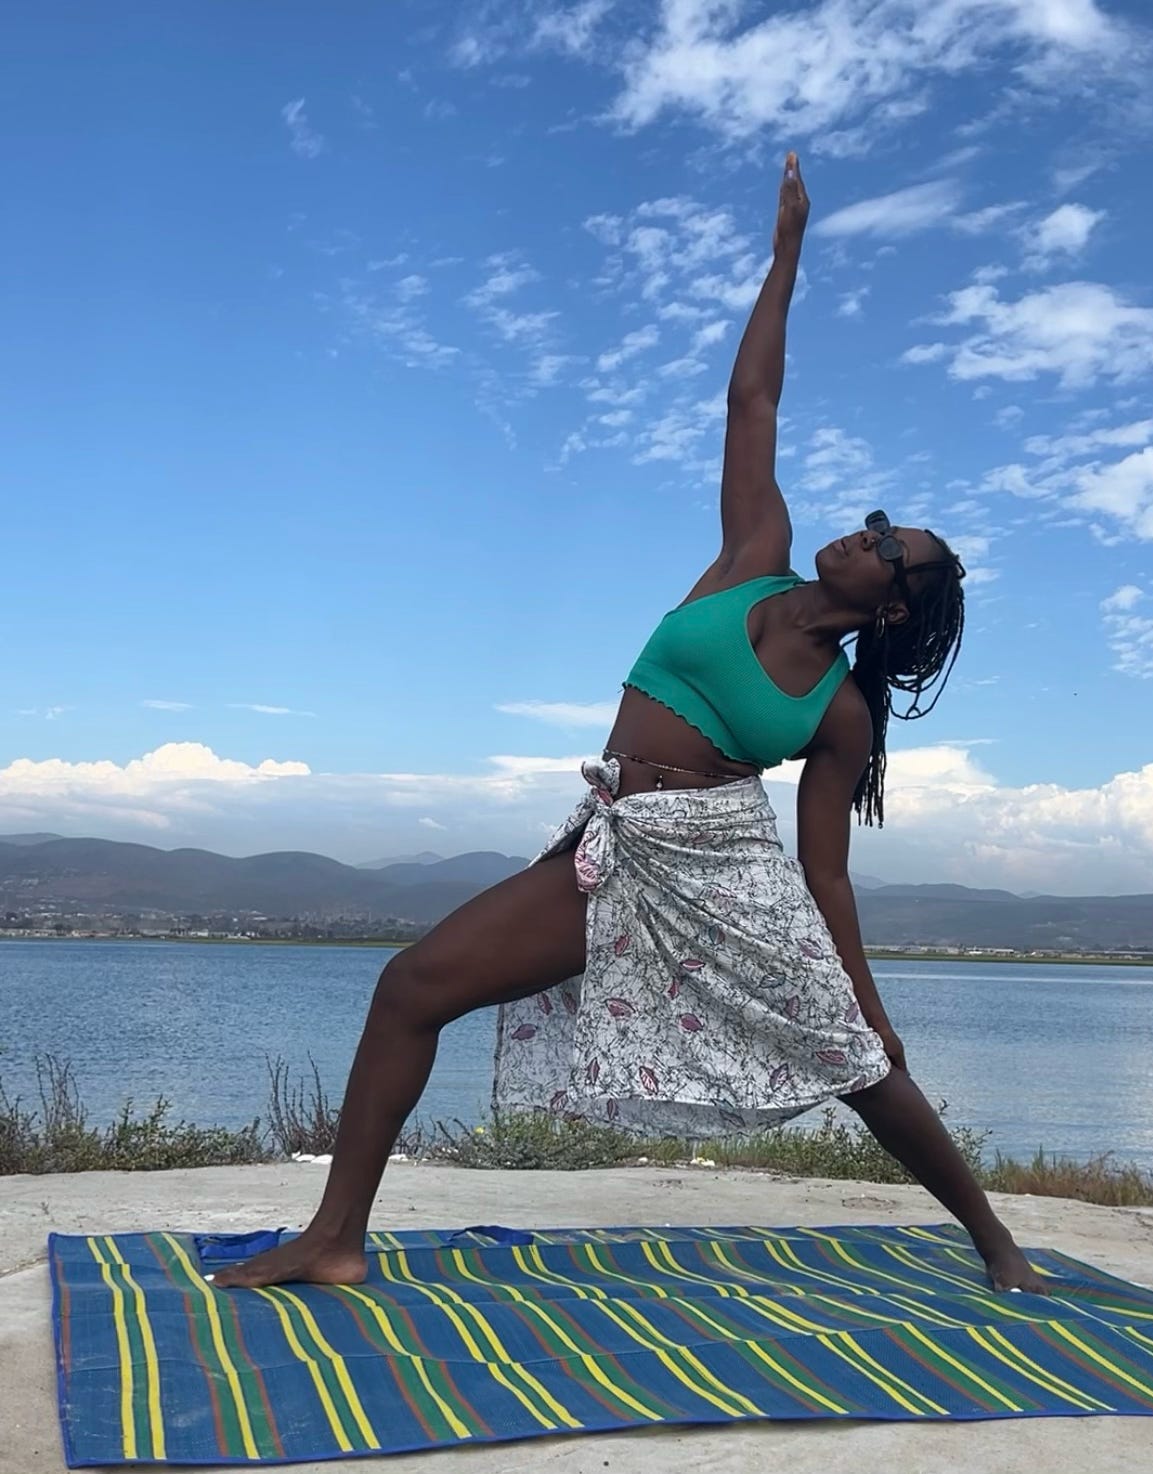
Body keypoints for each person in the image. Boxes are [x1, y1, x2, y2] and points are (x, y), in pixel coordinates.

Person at [214, 153, 1046, 1295]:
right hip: (619, 844)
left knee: (854, 1059)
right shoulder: (752, 556)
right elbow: (750, 401)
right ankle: (337, 1238)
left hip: (725, 872)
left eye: (890, 543)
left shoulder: (839, 710)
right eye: (875, 521)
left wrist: (865, 995)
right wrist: (787, 257)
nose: (867, 531)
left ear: (894, 601)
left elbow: (826, 873)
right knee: (413, 984)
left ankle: (998, 1244)